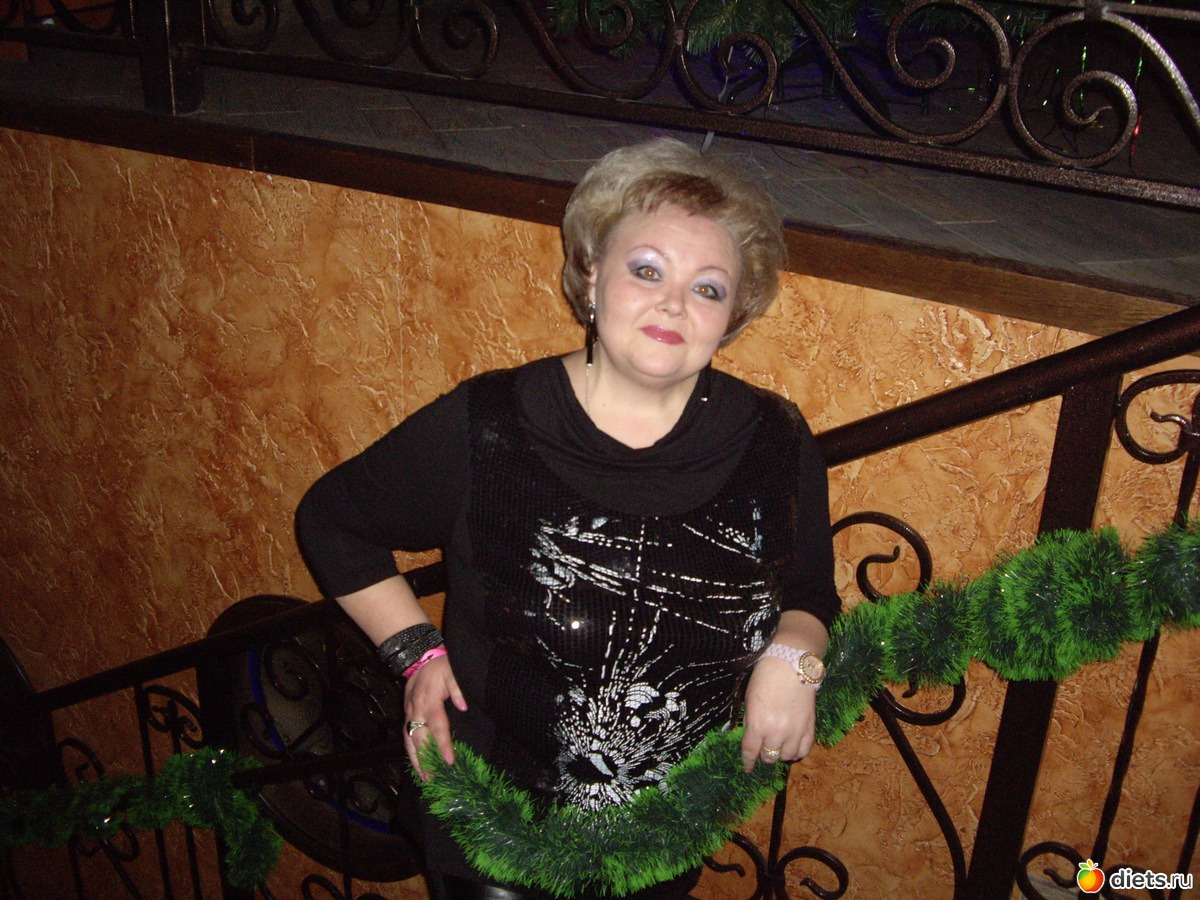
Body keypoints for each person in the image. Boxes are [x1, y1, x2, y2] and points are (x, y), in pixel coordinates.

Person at [295, 137, 840, 899]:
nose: (674, 304)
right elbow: (332, 521)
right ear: (590, 276)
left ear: (733, 314)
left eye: (708, 288)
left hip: (665, 837)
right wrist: (414, 652)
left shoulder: (776, 441)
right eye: (646, 270)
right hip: (499, 834)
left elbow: (810, 595)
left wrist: (795, 658)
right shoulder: (488, 427)